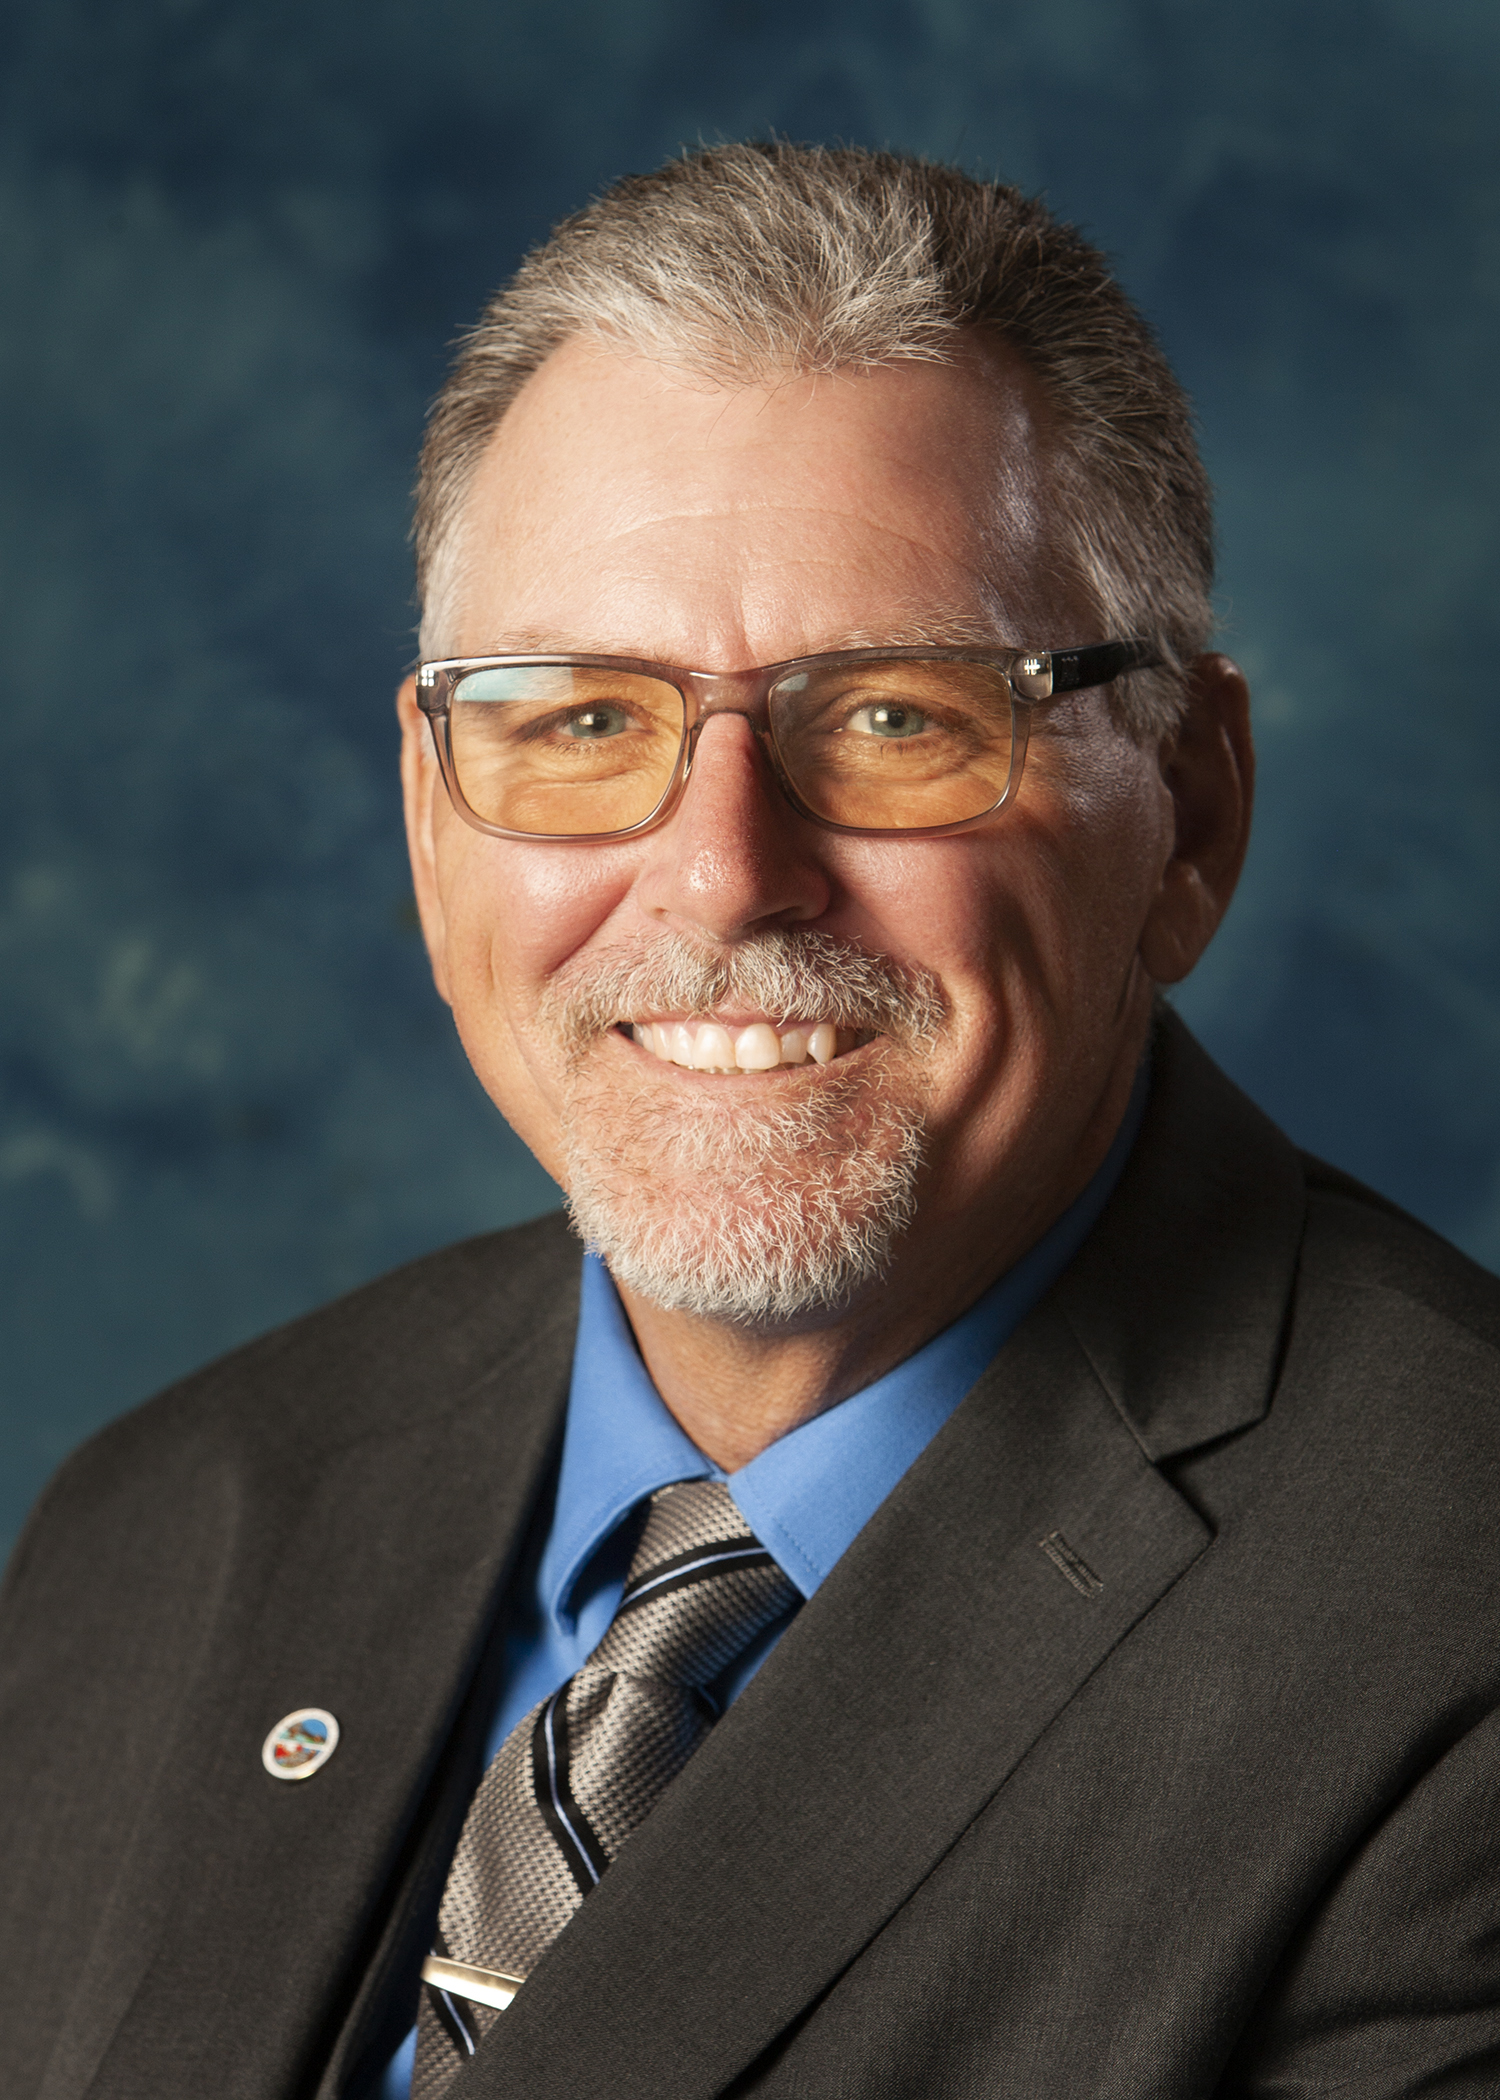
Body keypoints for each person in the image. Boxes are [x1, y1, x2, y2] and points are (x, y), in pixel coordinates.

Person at [2, 140, 1499, 2100]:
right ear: (430, 811)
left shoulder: (1447, 1644)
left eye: (895, 718)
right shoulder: (162, 1531)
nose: (720, 879)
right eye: (581, 723)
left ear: (1190, 813)